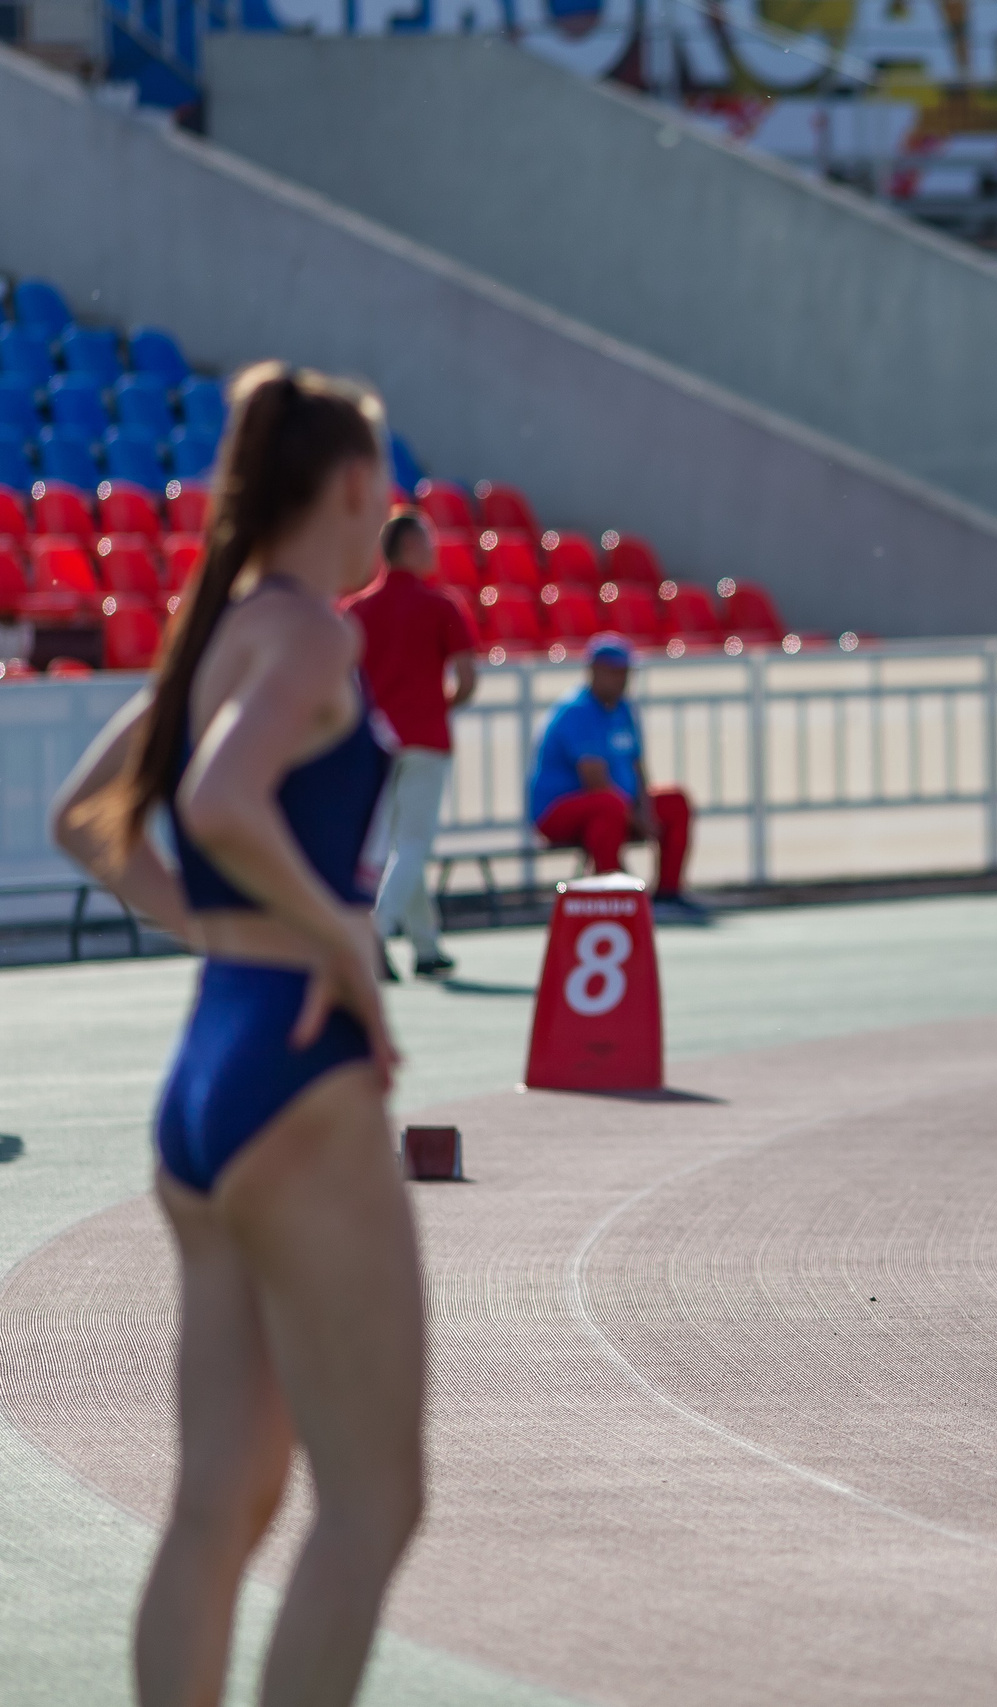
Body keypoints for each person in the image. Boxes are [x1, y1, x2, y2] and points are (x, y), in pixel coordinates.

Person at [48, 364, 423, 1707]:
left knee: (224, 1500)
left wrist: (217, 935)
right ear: (351, 488)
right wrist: (339, 943)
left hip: (205, 1082)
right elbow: (216, 799)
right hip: (296, 1072)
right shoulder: (313, 636)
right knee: (375, 1502)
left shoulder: (212, 635)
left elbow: (83, 818)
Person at [343, 508, 476, 979]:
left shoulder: (356, 610)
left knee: (398, 844)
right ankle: (374, 936)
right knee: (413, 843)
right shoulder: (440, 605)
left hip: (374, 743)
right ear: (411, 547)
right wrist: (438, 705)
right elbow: (465, 679)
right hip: (424, 738)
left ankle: (426, 946)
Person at [525, 635, 702, 920]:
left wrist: (645, 809)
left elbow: (637, 768)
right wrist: (639, 820)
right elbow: (595, 780)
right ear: (594, 671)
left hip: (617, 809)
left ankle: (668, 893)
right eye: (615, 672)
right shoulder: (577, 711)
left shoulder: (624, 710)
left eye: (626, 672)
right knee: (609, 805)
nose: (623, 680)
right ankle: (613, 894)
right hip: (558, 813)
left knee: (674, 801)